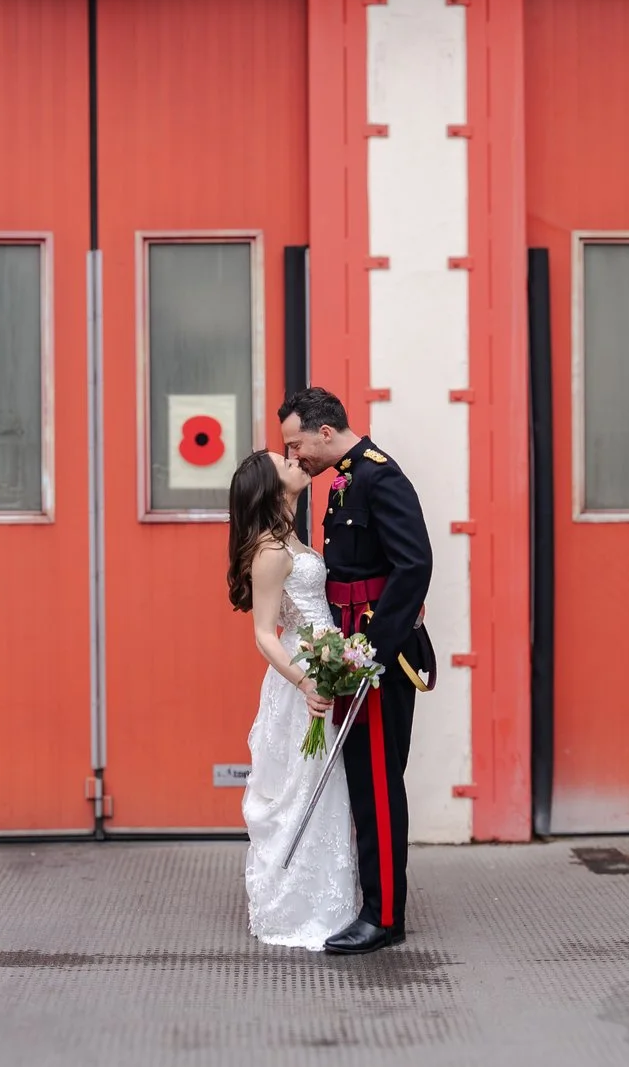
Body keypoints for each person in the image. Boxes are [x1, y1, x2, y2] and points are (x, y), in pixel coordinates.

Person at [279, 386, 433, 955]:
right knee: (363, 783)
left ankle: (384, 915)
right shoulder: (345, 477)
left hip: (377, 657)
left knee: (377, 786)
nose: (295, 459)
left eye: (297, 446)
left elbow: (413, 565)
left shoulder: (378, 476)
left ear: (325, 431)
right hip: (351, 648)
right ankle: (376, 901)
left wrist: (371, 650)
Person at [230, 448, 360, 949]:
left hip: (322, 661)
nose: (294, 461)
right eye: (281, 461)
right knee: (301, 787)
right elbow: (264, 634)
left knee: (323, 787)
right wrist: (304, 681)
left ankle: (326, 900)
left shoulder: (291, 539)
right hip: (299, 676)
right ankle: (293, 905)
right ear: (269, 485)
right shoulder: (269, 551)